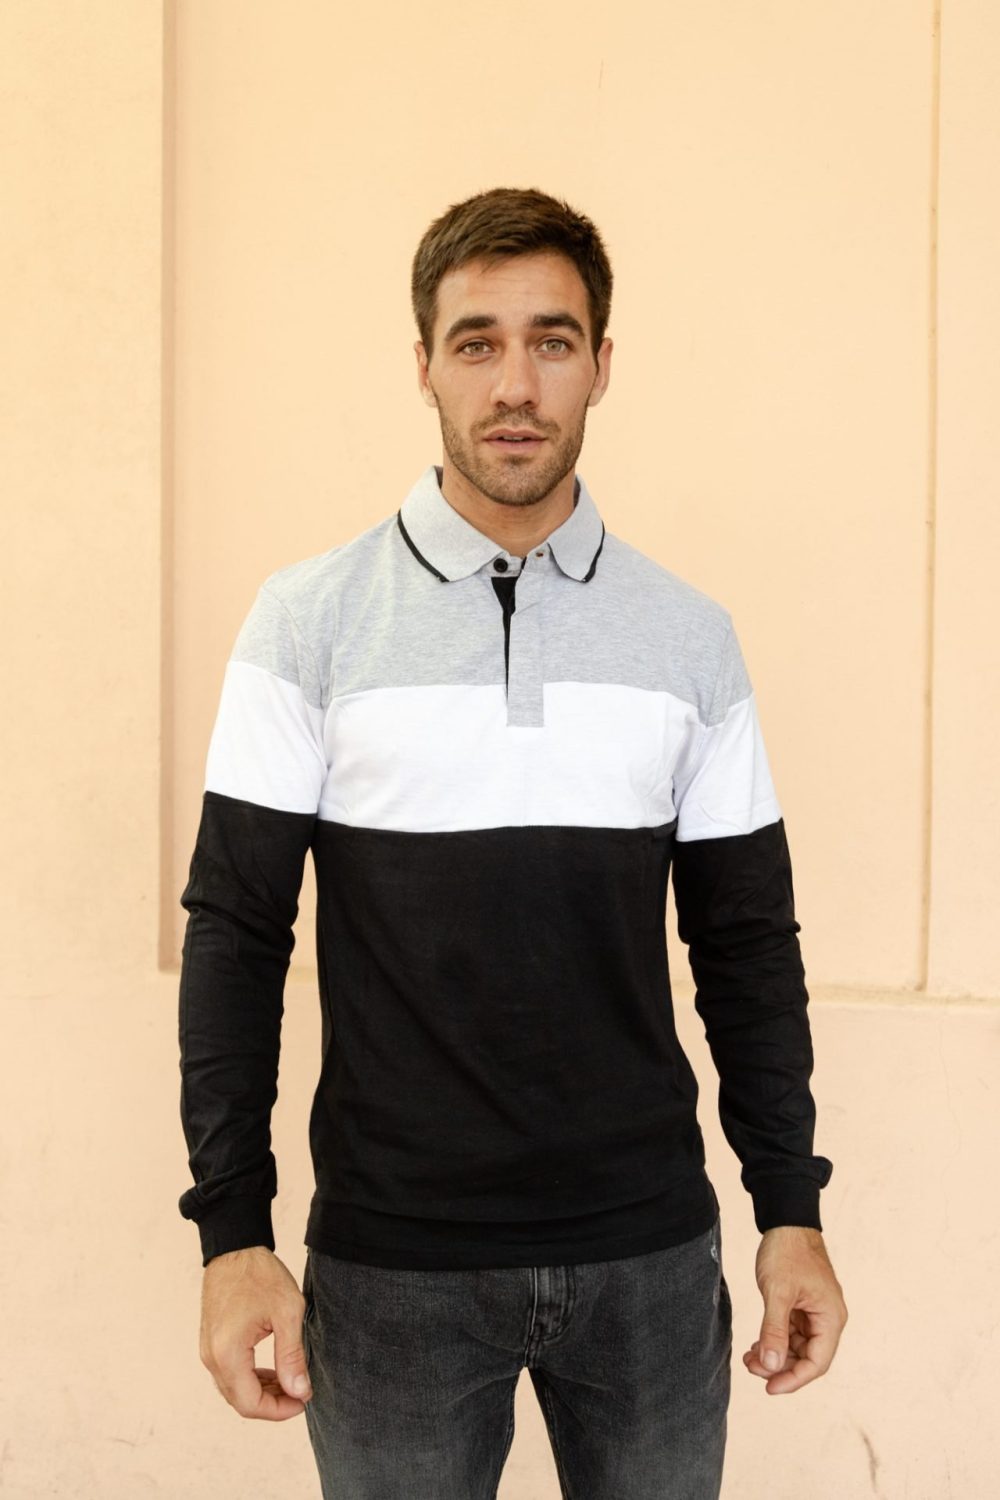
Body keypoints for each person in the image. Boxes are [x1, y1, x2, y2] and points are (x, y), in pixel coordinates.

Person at [177, 185, 847, 1499]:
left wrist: (791, 1209)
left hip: (649, 1257)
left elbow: (747, 943)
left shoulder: (689, 637)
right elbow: (237, 936)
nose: (516, 385)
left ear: (602, 363)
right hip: (391, 1268)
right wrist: (231, 1233)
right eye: (477, 342)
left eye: (553, 340)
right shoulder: (307, 623)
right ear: (424, 364)